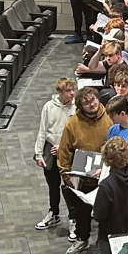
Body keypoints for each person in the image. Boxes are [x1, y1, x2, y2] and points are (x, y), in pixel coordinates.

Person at [58, 86, 110, 251]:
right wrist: (66, 175)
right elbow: (64, 151)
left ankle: (107, 243)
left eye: (93, 99)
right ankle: (82, 239)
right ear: (80, 107)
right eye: (87, 103)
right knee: (82, 212)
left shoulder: (110, 118)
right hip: (83, 177)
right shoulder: (72, 124)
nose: (92, 104)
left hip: (106, 175)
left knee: (108, 212)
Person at [32, 78, 77, 230]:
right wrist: (38, 154)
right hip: (50, 150)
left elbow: (78, 133)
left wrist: (63, 146)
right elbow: (42, 131)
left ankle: (73, 219)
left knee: (70, 186)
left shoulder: (76, 107)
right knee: (53, 186)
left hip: (68, 152)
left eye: (73, 90)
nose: (72, 93)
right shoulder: (48, 107)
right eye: (68, 91)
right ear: (59, 92)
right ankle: (54, 213)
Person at [105, 95, 128, 164]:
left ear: (122, 114)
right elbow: (107, 153)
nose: (110, 118)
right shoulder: (112, 129)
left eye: (112, 115)